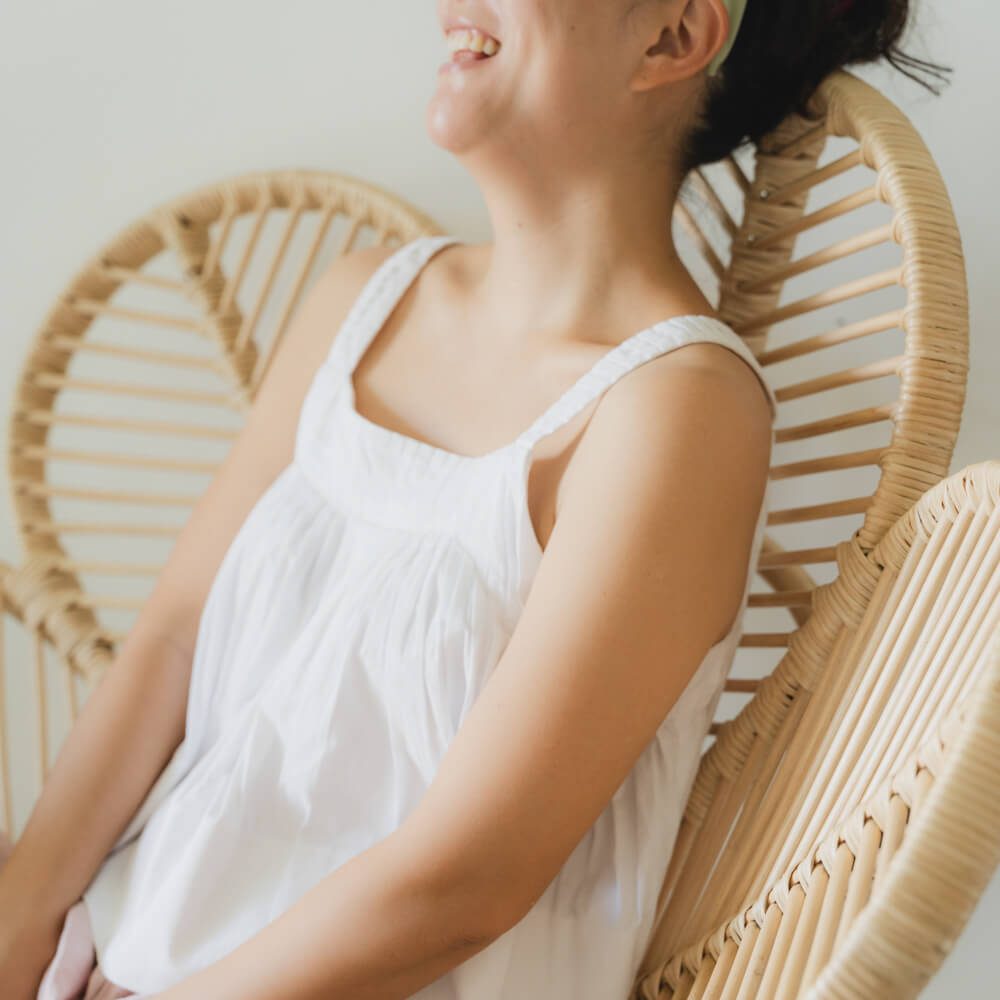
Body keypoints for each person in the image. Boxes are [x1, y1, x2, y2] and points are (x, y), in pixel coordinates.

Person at [0, 2, 950, 999]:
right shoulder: (363, 297)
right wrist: (20, 917)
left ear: (671, 38)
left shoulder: (675, 412)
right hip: (108, 945)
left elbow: (466, 880)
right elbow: (172, 639)